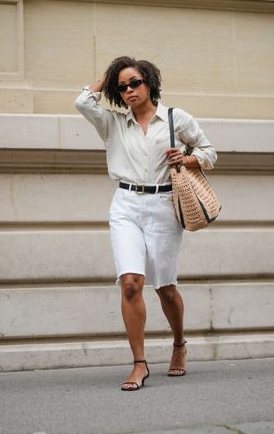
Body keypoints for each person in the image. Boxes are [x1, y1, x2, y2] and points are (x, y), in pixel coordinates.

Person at [75, 56, 217, 391]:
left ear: (149, 82)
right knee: (131, 283)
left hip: (164, 205)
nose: (128, 90)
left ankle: (179, 343)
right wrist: (110, 74)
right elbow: (82, 101)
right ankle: (139, 363)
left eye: (134, 82)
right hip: (125, 205)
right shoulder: (112, 122)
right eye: (121, 86)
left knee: (165, 288)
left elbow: (211, 152)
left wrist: (187, 158)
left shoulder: (174, 118)